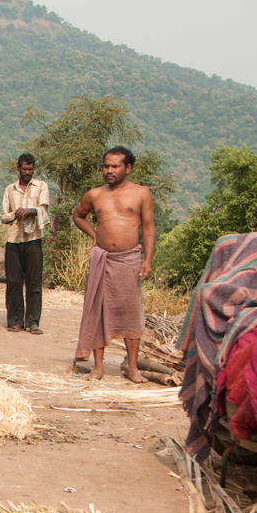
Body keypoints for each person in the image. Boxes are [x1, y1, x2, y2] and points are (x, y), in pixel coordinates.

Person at [70, 146, 155, 382]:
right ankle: (99, 368)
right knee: (99, 309)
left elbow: (148, 227)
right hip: (103, 260)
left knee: (131, 312)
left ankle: (133, 368)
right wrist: (94, 235)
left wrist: (148, 259)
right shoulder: (94, 195)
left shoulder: (141, 193)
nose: (109, 170)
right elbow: (78, 216)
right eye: (106, 166)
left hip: (129, 260)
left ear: (127, 168)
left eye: (115, 166)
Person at [0, 153, 50, 334]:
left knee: (34, 281)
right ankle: (15, 321)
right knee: (13, 281)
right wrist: (15, 214)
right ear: (18, 168)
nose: (27, 172)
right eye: (24, 168)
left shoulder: (41, 186)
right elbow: (3, 216)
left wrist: (29, 211)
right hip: (13, 239)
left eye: (30, 169)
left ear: (33, 169)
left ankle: (33, 322)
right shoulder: (9, 189)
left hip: (34, 239)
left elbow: (44, 209)